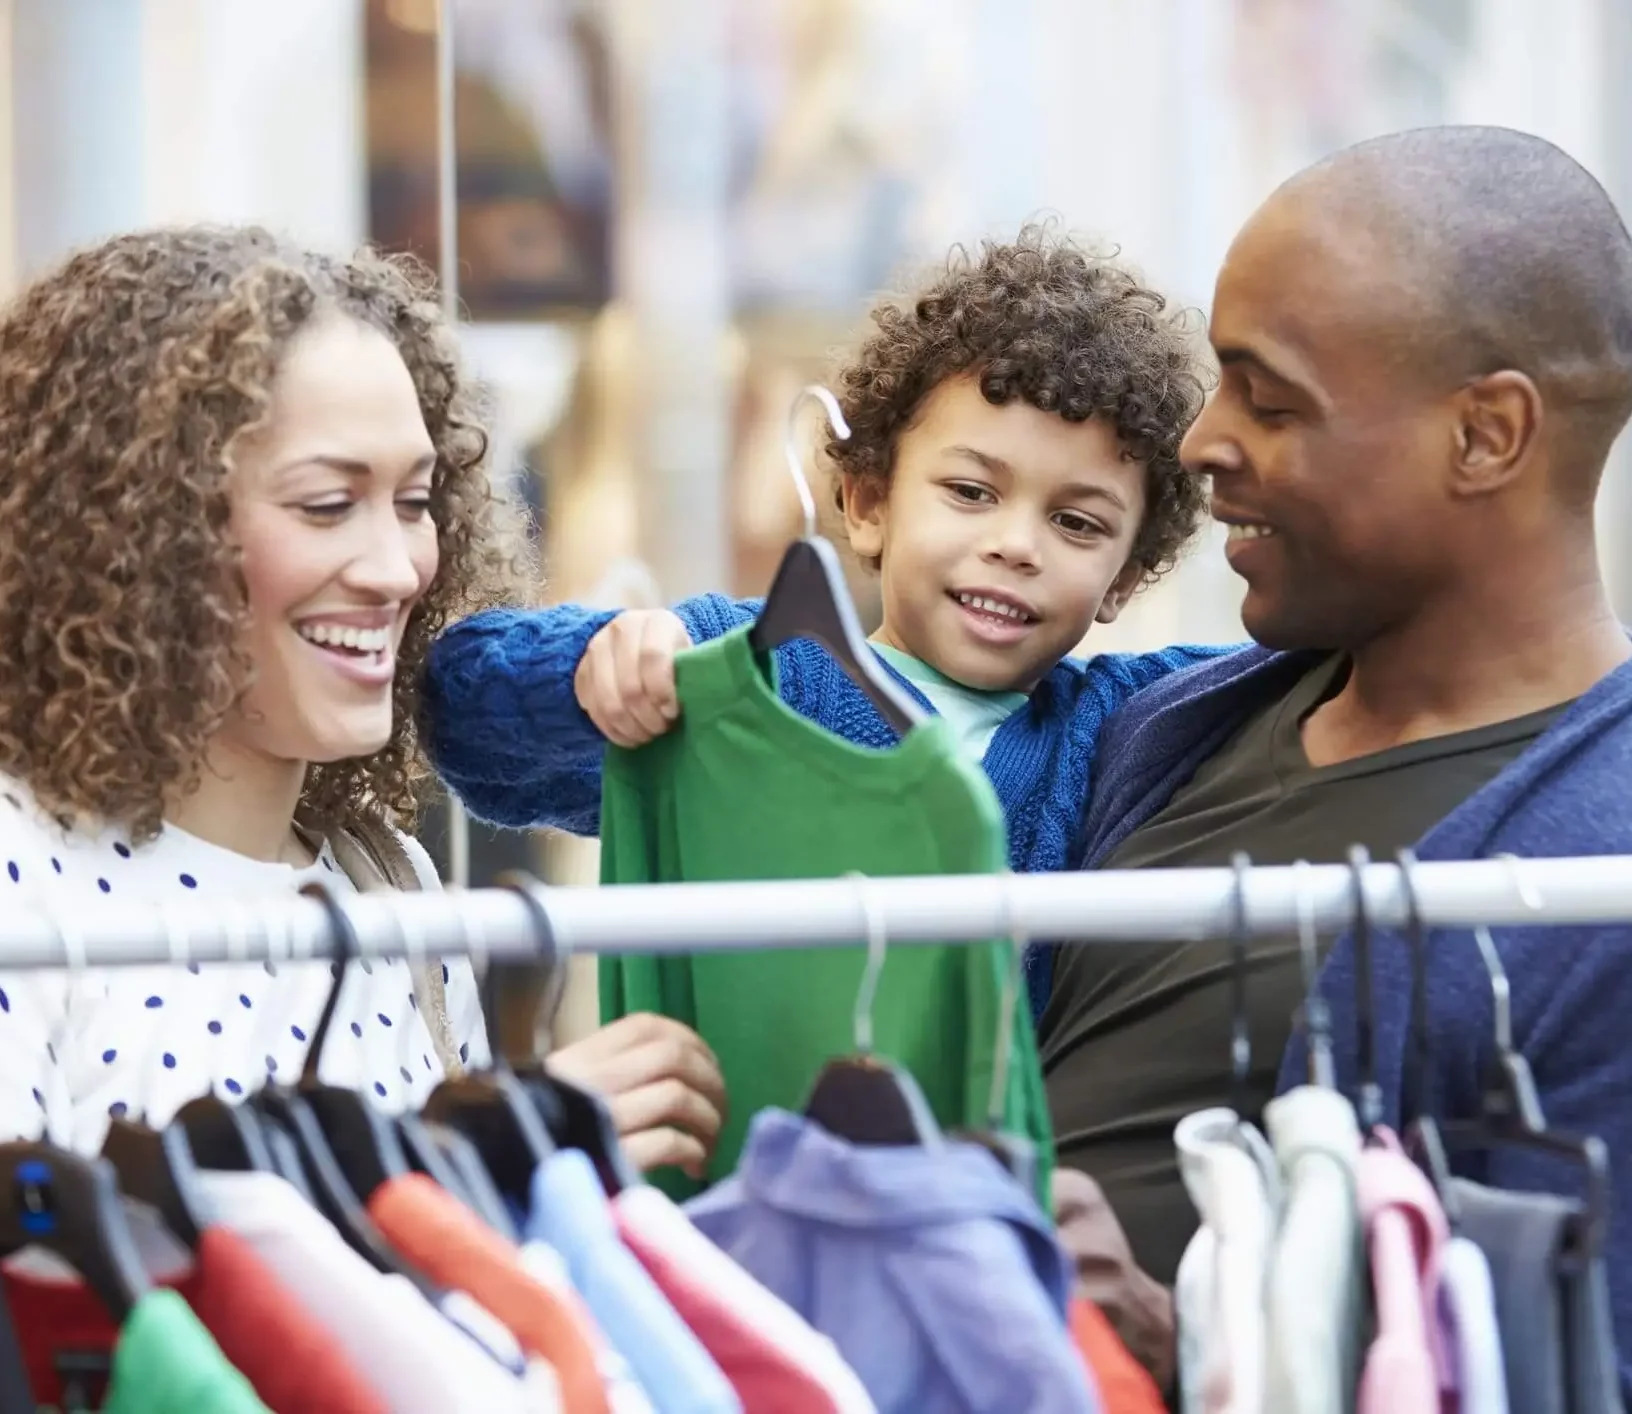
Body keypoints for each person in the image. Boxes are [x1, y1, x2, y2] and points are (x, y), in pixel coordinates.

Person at [1036, 125, 1632, 1388]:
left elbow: (1572, 1356)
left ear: (1487, 436)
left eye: (1270, 397)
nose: (1200, 443)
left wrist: (1171, 1338)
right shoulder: (1165, 729)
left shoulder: (1606, 868)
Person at [0, 224, 522, 1153]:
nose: (396, 569)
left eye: (414, 503)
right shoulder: (24, 879)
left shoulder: (395, 887)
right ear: (140, 532)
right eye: (327, 505)